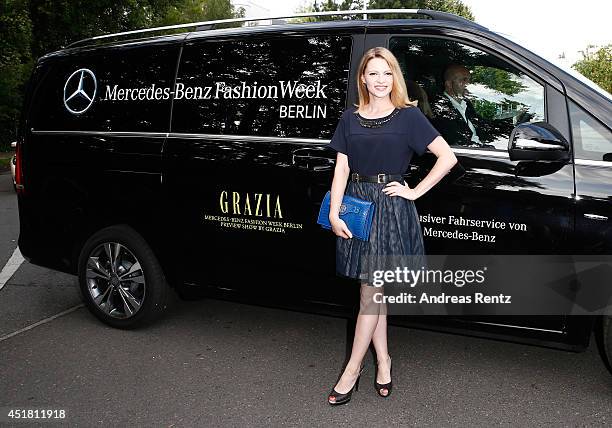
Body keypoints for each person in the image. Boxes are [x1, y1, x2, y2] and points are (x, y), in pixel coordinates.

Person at [326, 47, 457, 405]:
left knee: (371, 292)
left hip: (390, 206)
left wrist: (414, 191)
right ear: (363, 79)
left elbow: (447, 157)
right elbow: (341, 169)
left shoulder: (408, 117)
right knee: (373, 291)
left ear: (394, 77)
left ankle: (351, 369)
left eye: (387, 73)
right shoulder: (350, 119)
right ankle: (383, 361)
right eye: (374, 73)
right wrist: (335, 213)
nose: (381, 80)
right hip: (358, 207)